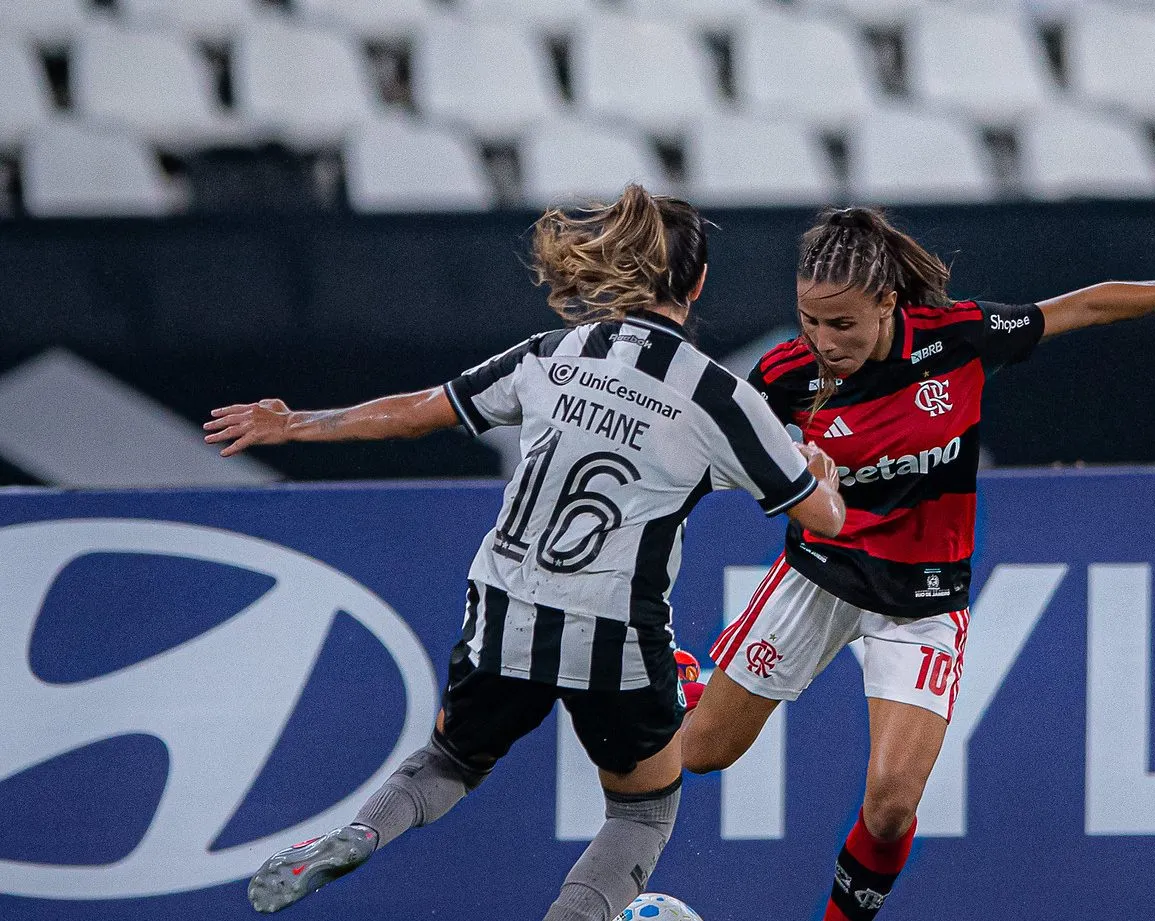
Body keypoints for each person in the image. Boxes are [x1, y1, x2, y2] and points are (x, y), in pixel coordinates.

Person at [203, 185, 846, 919]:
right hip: (612, 627)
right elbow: (821, 518)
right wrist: (820, 475)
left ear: (619, 269)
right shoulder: (721, 399)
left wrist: (298, 425)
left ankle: (357, 833)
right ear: (697, 284)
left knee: (446, 761)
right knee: (641, 814)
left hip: (501, 604)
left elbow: (419, 412)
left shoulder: (555, 352)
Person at [678, 206, 1155, 921]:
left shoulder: (956, 337)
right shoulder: (783, 376)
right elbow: (711, 452)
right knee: (699, 756)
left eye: (843, 324)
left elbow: (1085, 304)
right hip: (819, 579)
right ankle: (686, 681)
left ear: (888, 303)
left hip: (923, 599)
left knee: (893, 803)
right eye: (810, 321)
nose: (824, 341)